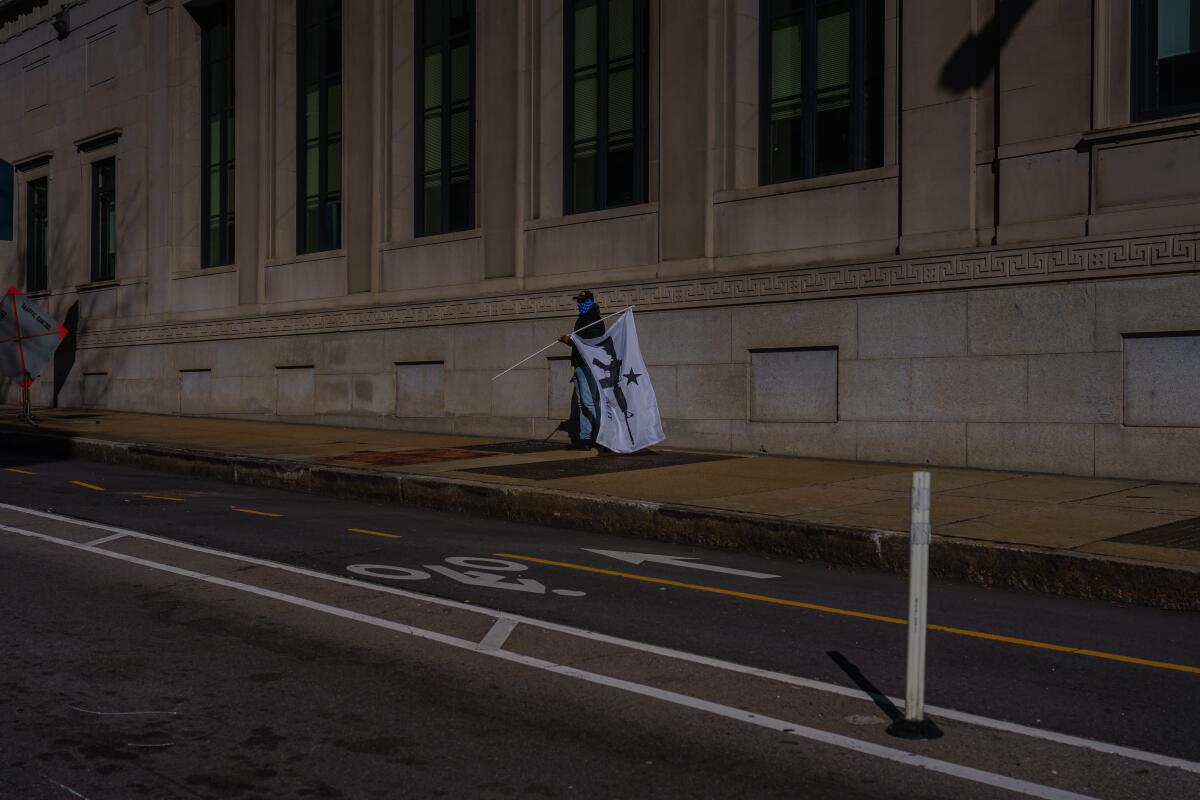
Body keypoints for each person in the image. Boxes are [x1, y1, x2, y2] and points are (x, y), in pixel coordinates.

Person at [559, 290, 605, 450]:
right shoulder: (582, 319)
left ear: (591, 301)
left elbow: (591, 344)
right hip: (579, 365)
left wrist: (569, 341)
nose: (579, 304)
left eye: (582, 301)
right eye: (578, 301)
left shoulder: (595, 320)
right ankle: (585, 439)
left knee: (589, 402)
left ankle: (605, 436)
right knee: (582, 403)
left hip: (588, 366)